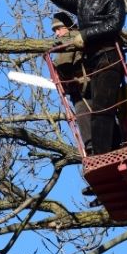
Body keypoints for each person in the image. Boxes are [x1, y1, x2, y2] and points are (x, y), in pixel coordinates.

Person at [28, 0, 126, 155]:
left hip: (109, 57)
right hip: (93, 61)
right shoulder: (81, 1)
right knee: (94, 108)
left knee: (102, 108)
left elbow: (115, 23)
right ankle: (113, 149)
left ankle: (103, 156)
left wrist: (86, 34)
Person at [49, 12, 92, 154]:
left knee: (82, 111)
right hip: (95, 83)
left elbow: (64, 64)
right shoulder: (81, 36)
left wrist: (58, 75)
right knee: (103, 115)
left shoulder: (71, 38)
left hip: (84, 87)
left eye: (58, 29)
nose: (57, 34)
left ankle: (91, 147)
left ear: (67, 27)